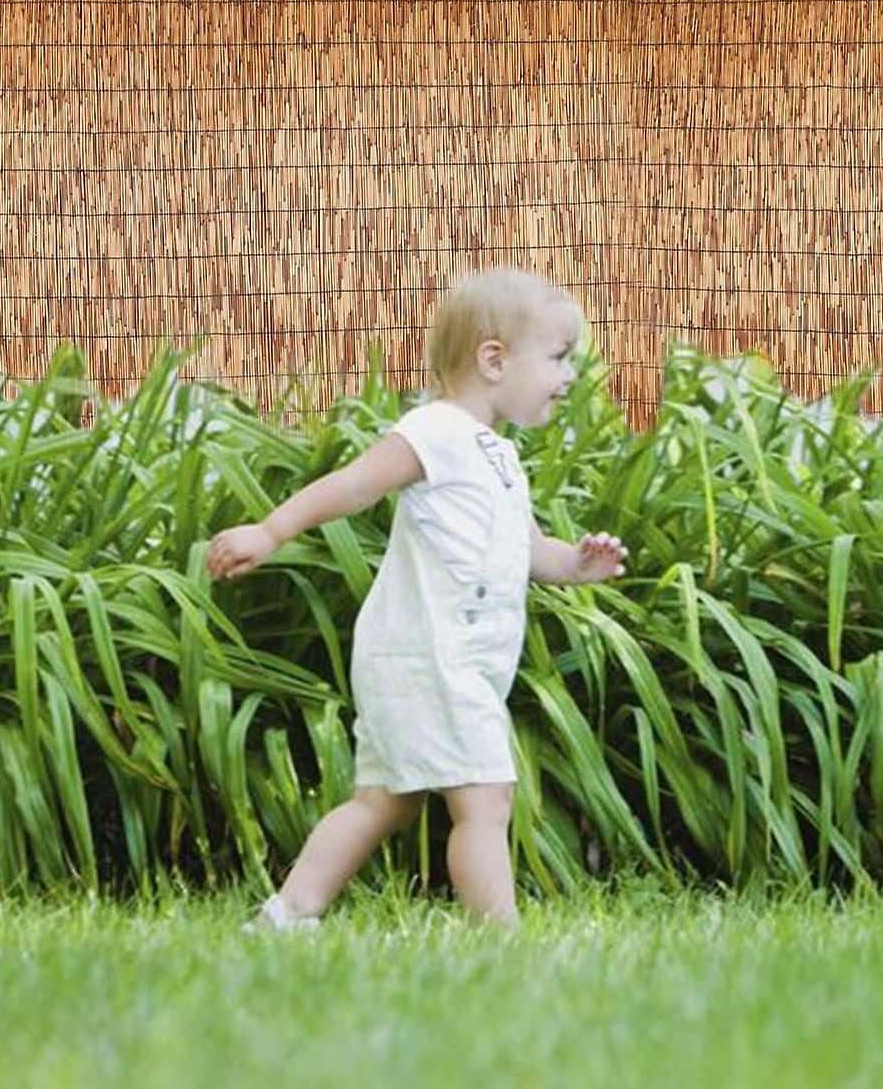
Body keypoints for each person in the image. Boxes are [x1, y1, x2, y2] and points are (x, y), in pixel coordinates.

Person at [206, 265, 629, 931]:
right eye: (557, 356)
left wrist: (579, 565)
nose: (569, 374)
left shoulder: (498, 458)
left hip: (433, 658)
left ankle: (288, 914)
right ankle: (501, 938)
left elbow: (527, 552)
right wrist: (270, 529)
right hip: (434, 655)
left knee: (383, 799)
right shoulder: (436, 431)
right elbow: (352, 486)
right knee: (485, 798)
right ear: (494, 359)